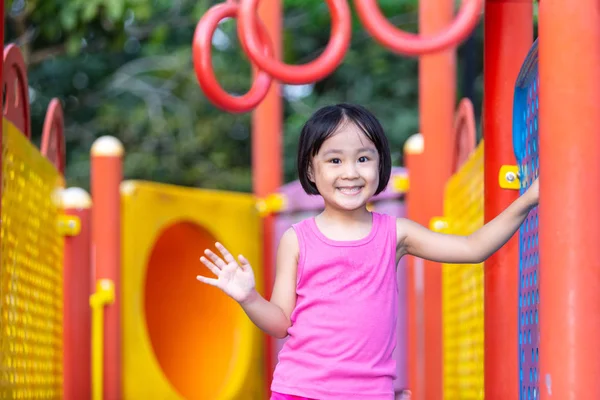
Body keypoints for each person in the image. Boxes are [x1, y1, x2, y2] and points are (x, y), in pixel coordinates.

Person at [196, 103, 539, 400]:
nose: (350, 172)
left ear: (380, 165)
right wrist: (249, 297)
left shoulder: (395, 233)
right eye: (334, 160)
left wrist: (528, 199)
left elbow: (473, 247)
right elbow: (280, 324)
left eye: (363, 158)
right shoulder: (297, 239)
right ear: (311, 170)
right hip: (300, 389)